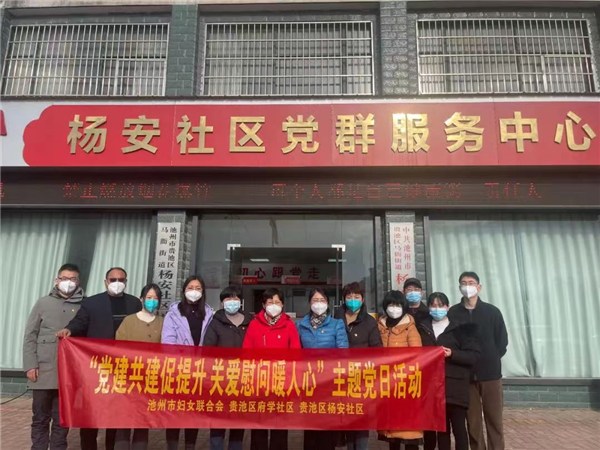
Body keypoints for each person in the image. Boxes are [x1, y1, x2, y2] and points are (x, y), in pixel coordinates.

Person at [56, 266, 141, 450]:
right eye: (113, 280)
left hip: (122, 369)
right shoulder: (92, 303)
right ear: (105, 282)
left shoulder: (134, 303)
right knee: (91, 414)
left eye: (121, 280)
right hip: (95, 369)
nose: (117, 283)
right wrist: (69, 330)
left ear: (126, 282)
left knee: (115, 415)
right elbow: (79, 322)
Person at [23, 263, 84, 450]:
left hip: (69, 373)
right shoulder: (43, 303)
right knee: (40, 418)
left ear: (78, 281)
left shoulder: (84, 305)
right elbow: (30, 335)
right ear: (57, 280)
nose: (68, 282)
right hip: (43, 370)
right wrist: (30, 365)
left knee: (62, 420)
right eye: (64, 278)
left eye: (72, 279)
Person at [448, 271, 508, 450]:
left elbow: (502, 342)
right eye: (464, 283)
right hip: (465, 376)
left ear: (479, 287)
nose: (467, 286)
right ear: (459, 287)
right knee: (473, 422)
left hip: (490, 375)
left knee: (494, 420)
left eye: (471, 282)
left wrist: (490, 358)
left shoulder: (492, 312)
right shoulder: (453, 313)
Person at [418, 292, 480, 450]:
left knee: (459, 429)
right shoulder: (422, 328)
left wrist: (453, 354)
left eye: (440, 305)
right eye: (433, 305)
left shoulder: (460, 328)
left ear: (447, 307)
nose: (436, 309)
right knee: (440, 430)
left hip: (455, 387)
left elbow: (473, 356)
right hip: (431, 388)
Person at [242, 288, 301, 450]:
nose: (274, 306)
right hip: (259, 384)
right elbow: (247, 353)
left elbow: (296, 355)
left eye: (277, 302)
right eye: (270, 302)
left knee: (279, 428)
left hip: (281, 385)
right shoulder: (254, 324)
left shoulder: (289, 325)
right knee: (258, 428)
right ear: (263, 305)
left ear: (282, 305)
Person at [161, 275, 214, 450]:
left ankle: (190, 446)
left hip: (199, 372)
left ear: (203, 292)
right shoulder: (173, 314)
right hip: (178, 371)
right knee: (174, 413)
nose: (194, 291)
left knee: (193, 412)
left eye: (198, 288)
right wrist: (183, 364)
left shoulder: (209, 313)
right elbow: (168, 343)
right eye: (190, 288)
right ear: (184, 290)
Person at [113, 283, 165, 450]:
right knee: (123, 422)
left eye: (155, 298)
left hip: (150, 380)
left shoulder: (162, 322)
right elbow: (118, 348)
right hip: (128, 379)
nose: (152, 301)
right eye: (149, 297)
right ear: (142, 299)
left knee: (143, 422)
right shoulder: (129, 321)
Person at [297, 288, 349, 450]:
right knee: (310, 426)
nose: (318, 304)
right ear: (309, 303)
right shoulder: (301, 325)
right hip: (309, 382)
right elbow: (297, 354)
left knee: (327, 426)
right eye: (315, 300)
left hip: (329, 382)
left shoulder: (336, 324)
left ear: (328, 303)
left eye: (322, 300)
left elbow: (343, 352)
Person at [203, 285, 253, 450]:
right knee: (218, 419)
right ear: (222, 302)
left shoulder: (250, 322)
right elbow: (208, 351)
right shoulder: (215, 322)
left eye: (235, 298)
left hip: (243, 379)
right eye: (228, 298)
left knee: (238, 419)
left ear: (241, 301)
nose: (232, 301)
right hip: (220, 380)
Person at [334, 281, 382, 450]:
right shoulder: (335, 319)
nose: (353, 300)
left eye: (356, 296)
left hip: (362, 378)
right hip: (340, 377)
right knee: (346, 418)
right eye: (349, 296)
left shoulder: (369, 322)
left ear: (362, 299)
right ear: (344, 299)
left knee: (361, 420)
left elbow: (377, 350)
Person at [376, 290, 422, 450]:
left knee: (409, 427)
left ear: (403, 307)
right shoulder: (379, 326)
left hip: (405, 383)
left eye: (397, 305)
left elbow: (417, 356)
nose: (394, 309)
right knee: (392, 428)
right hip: (386, 383)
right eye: (390, 305)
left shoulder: (410, 328)